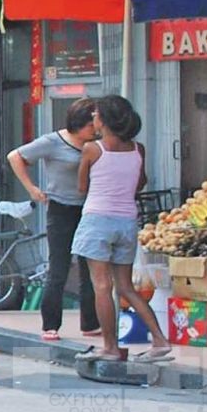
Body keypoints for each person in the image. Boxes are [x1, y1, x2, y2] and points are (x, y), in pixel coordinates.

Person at [73, 96, 172, 364]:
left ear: (103, 120)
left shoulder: (93, 149)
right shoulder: (137, 149)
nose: (93, 119)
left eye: (95, 115)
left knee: (102, 287)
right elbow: (141, 182)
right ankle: (160, 341)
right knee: (126, 287)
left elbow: (82, 186)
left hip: (97, 220)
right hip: (127, 221)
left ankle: (110, 347)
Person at [9, 98, 100, 341]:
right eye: (91, 126)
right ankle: (50, 324)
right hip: (60, 208)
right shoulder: (53, 141)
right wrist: (31, 188)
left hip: (89, 208)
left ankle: (90, 322)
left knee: (89, 267)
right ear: (79, 124)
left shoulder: (95, 144)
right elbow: (15, 157)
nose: (95, 130)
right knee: (58, 267)